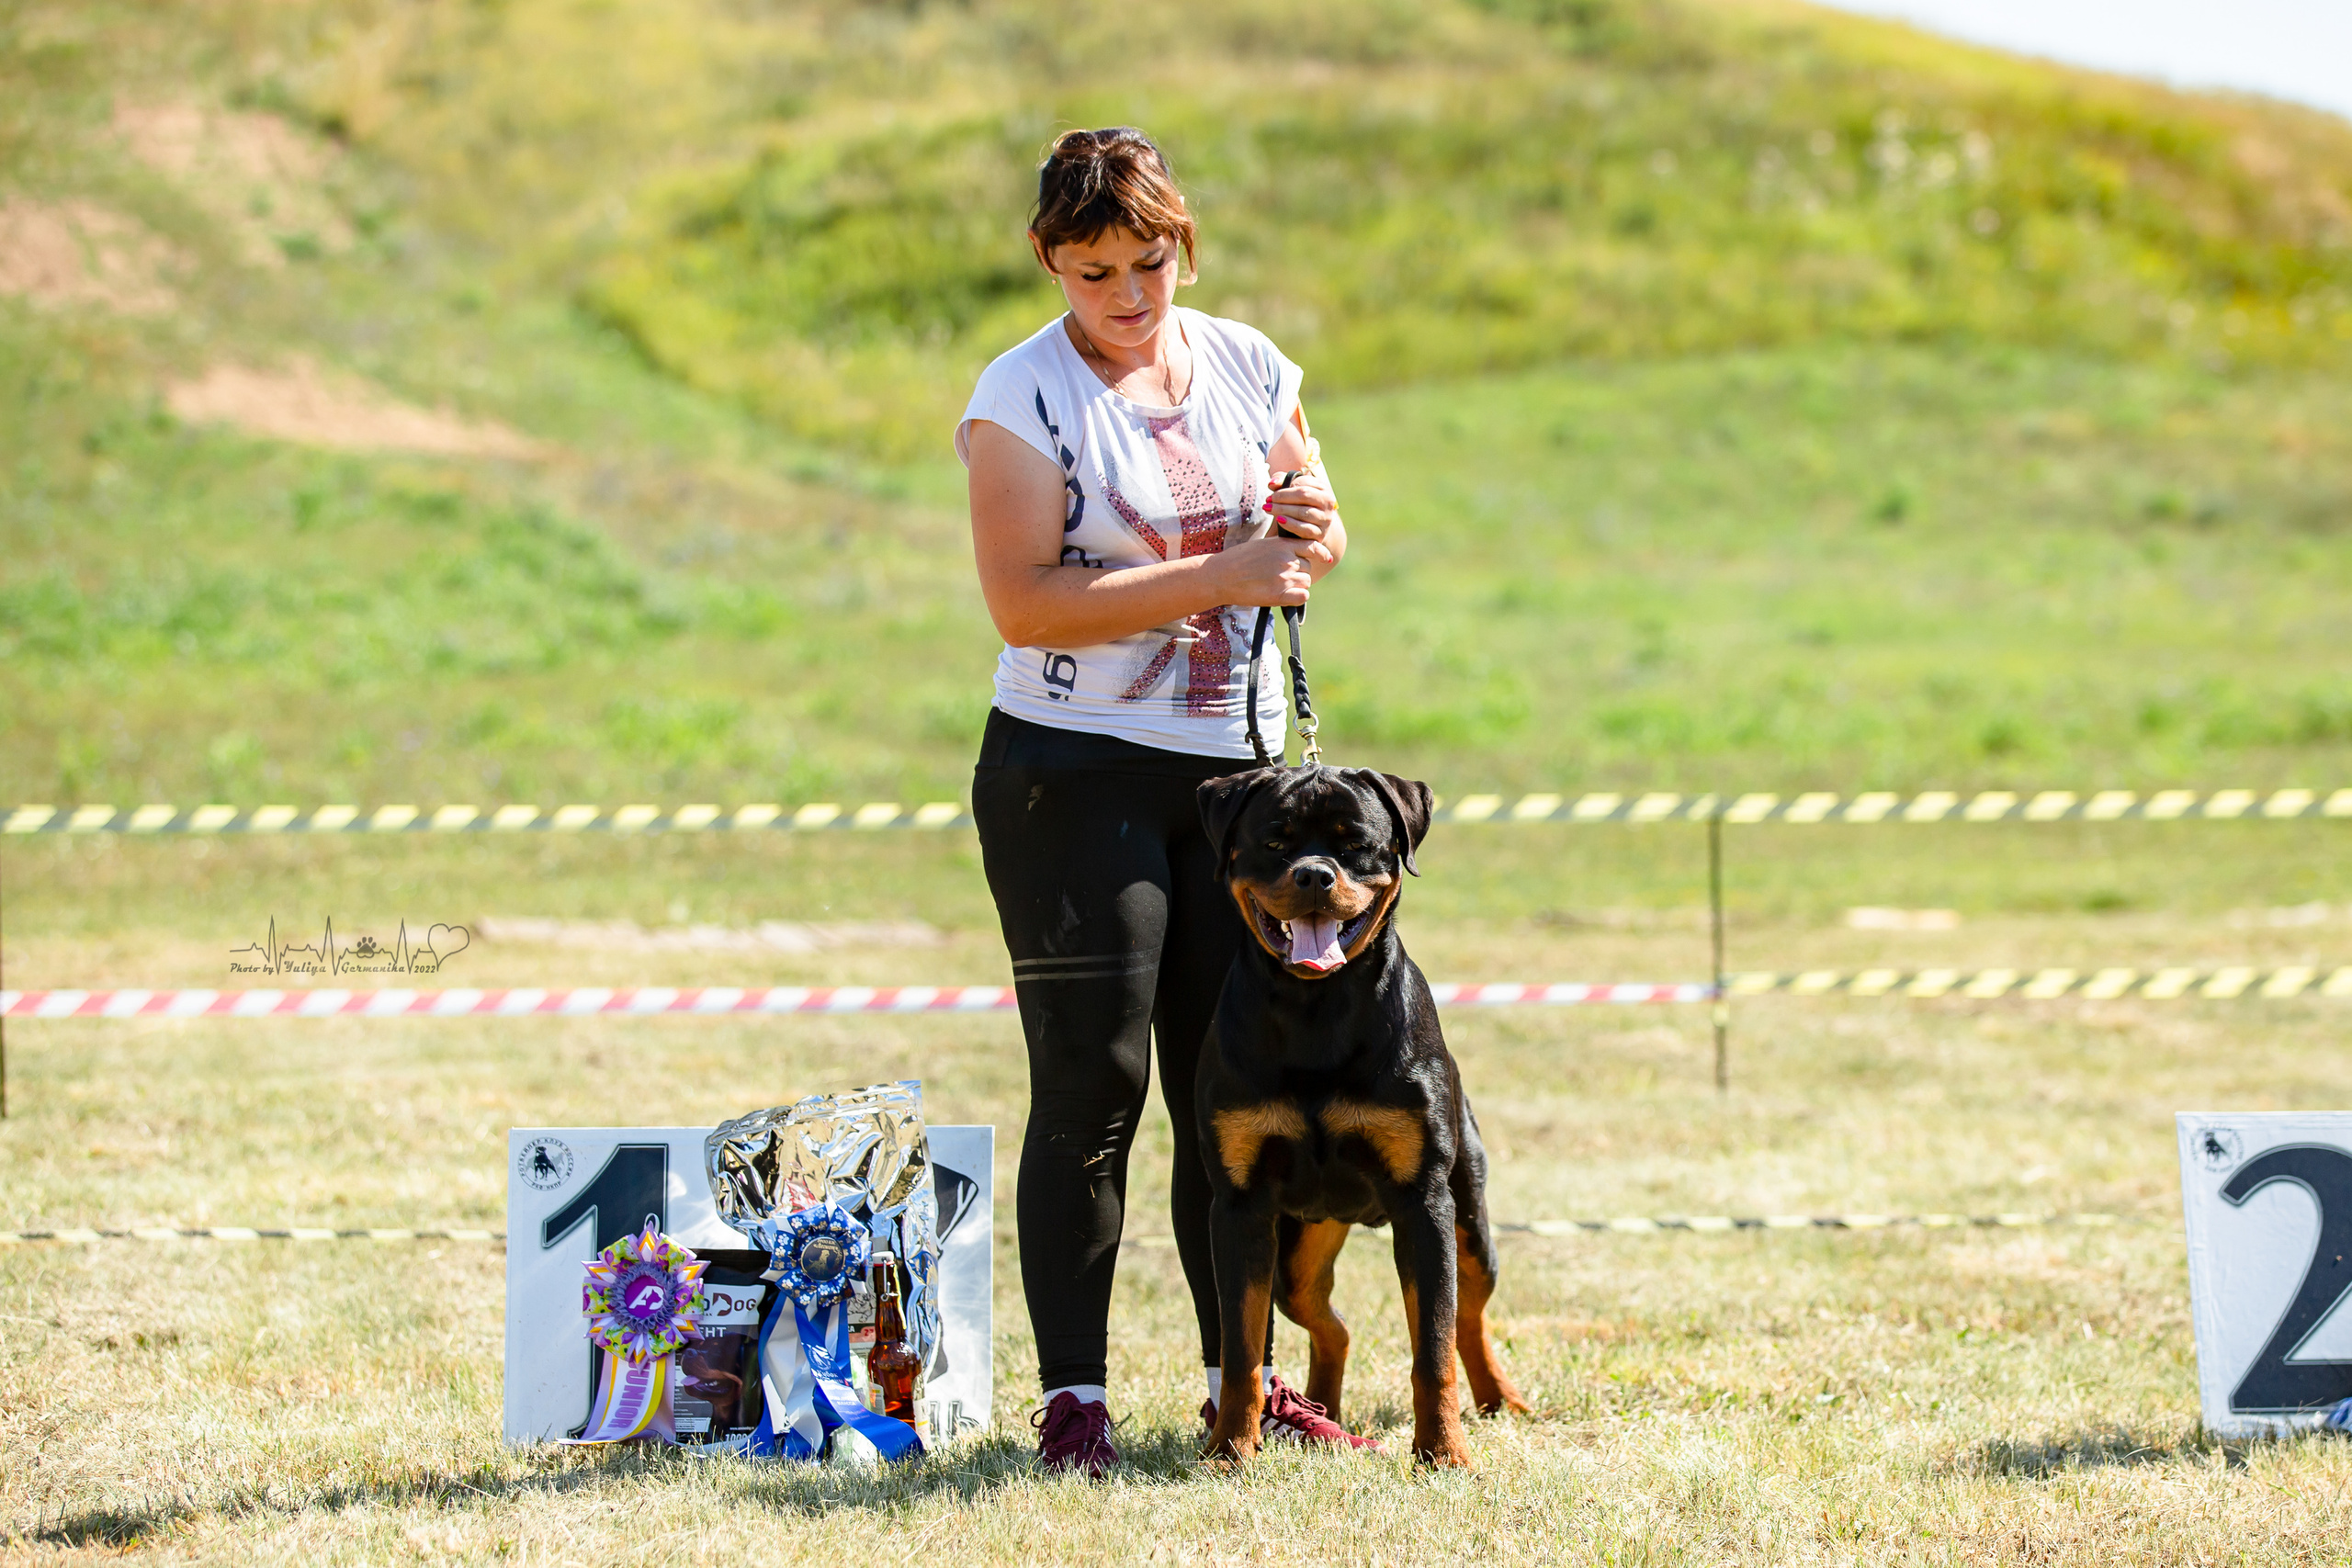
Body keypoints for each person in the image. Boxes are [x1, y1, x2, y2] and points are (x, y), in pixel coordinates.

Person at [957, 127, 1377, 1474]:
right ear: (1048, 261)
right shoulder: (1016, 398)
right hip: (1069, 773)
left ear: (1181, 244)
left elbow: (1312, 508)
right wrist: (1229, 575)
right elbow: (1024, 603)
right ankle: (1071, 1407)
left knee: (1225, 1085)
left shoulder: (1250, 361)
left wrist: (1310, 528)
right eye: (1094, 274)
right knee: (1094, 1083)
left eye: (1150, 264)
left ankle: (1236, 1389)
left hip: (1234, 780)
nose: (1130, 298)